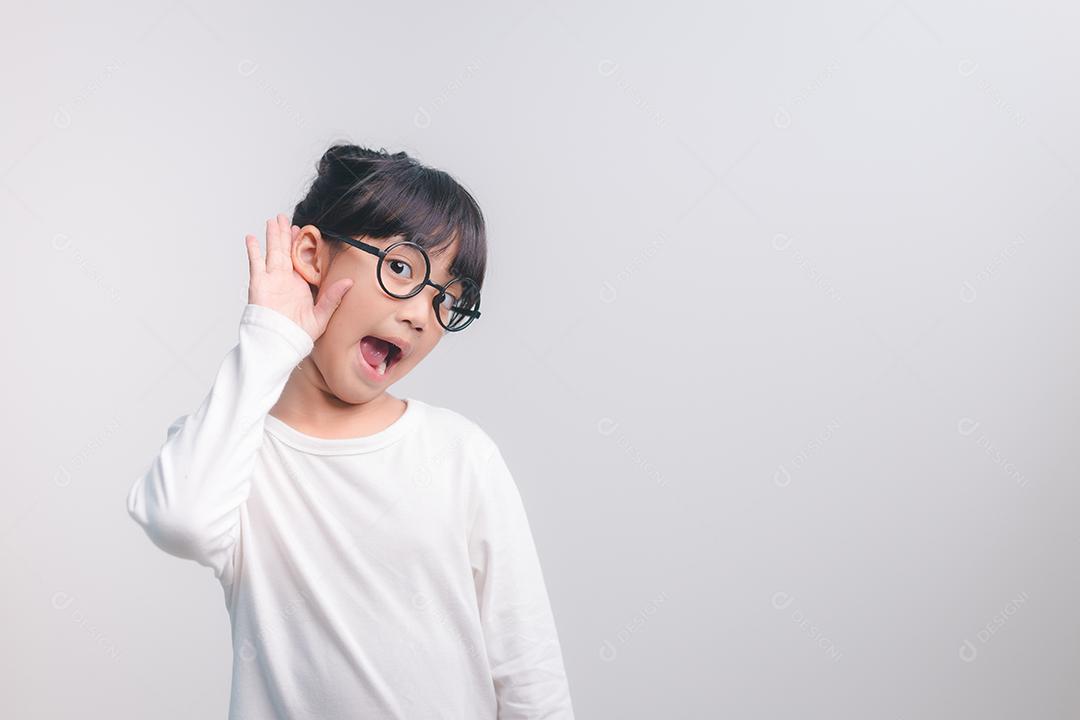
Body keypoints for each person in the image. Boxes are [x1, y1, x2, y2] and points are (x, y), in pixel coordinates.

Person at [126, 144, 576, 719]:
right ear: (311, 255)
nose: (421, 314)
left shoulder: (459, 455)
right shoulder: (234, 449)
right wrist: (270, 336)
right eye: (401, 269)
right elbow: (179, 522)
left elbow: (529, 673)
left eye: (448, 299)